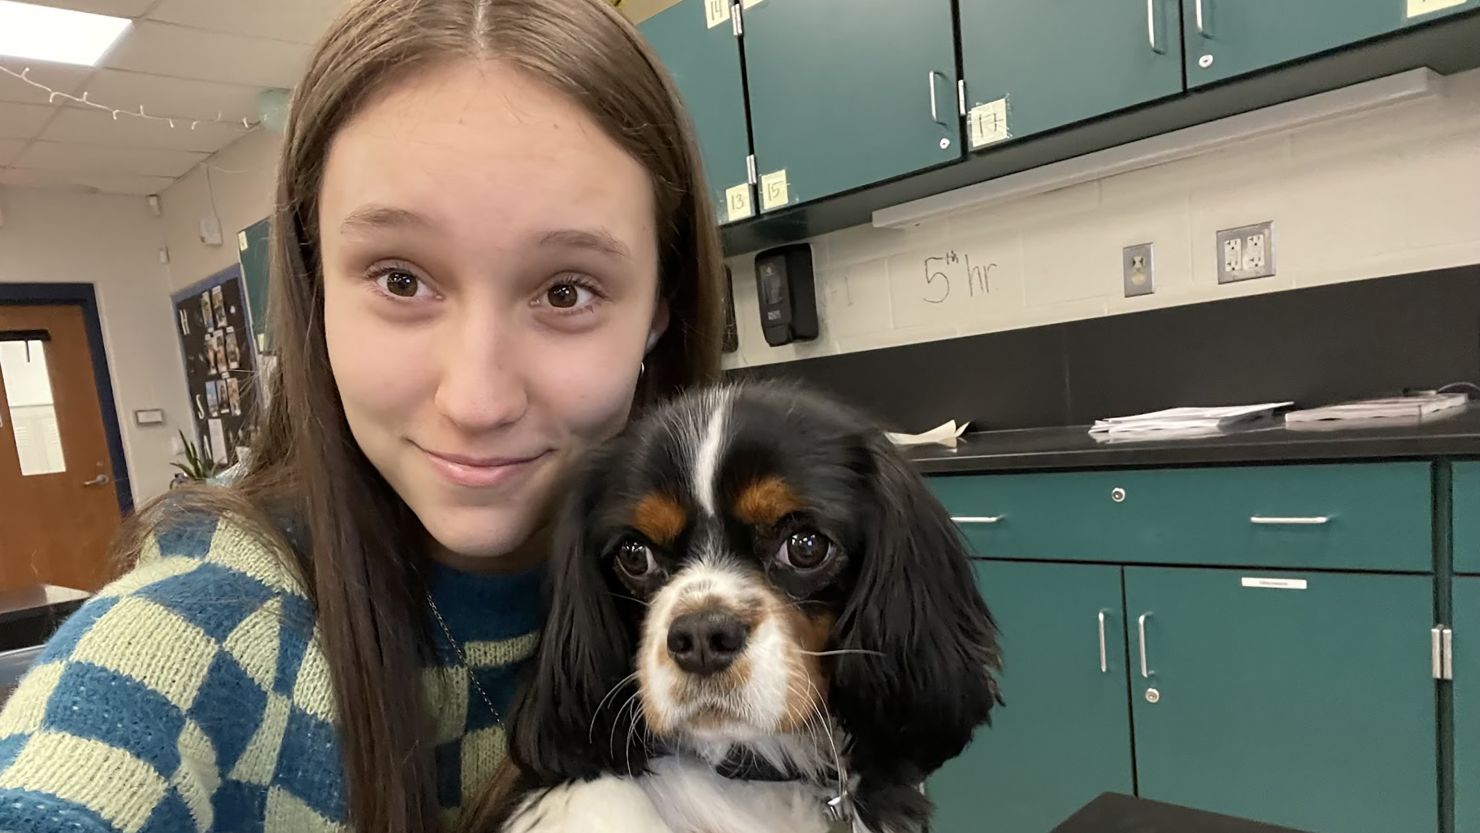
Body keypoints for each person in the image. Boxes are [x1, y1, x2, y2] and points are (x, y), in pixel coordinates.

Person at [0, 0, 724, 830]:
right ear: (314, 290)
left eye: (567, 291)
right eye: (400, 279)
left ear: (660, 311)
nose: (477, 400)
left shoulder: (740, 602)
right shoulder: (215, 632)